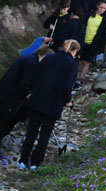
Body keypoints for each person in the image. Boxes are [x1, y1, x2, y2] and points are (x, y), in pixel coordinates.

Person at [18, 40, 80, 170]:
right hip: (53, 103)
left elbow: (35, 75)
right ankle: (35, 163)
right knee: (44, 135)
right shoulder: (72, 64)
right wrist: (68, 101)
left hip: (38, 99)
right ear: (74, 51)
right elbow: (67, 86)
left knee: (31, 132)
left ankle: (22, 160)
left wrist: (32, 91)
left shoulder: (50, 57)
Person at [0, 46, 54, 163]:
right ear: (43, 57)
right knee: (1, 123)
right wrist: (28, 94)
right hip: (8, 95)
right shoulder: (31, 62)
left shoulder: (30, 59)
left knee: (6, 122)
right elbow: (23, 82)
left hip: (8, 94)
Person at [78, 1, 106, 82]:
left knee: (86, 63)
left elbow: (105, 35)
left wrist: (101, 49)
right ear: (97, 6)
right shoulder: (89, 14)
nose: (102, 10)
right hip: (82, 41)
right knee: (78, 60)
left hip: (93, 44)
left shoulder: (105, 19)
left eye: (104, 8)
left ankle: (80, 80)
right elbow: (81, 25)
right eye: (101, 7)